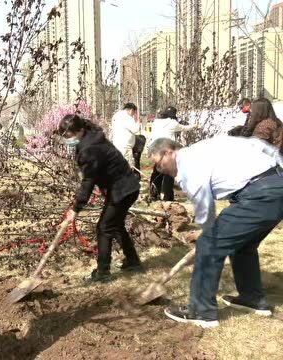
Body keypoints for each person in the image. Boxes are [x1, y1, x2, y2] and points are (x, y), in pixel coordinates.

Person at [148, 136, 283, 328]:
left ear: (169, 151)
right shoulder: (207, 147)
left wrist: (207, 236)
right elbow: (258, 144)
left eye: (159, 164)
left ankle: (201, 311)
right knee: (243, 245)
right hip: (276, 186)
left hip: (258, 195)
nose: (161, 170)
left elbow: (204, 205)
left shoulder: (188, 163)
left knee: (209, 245)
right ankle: (253, 299)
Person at [58, 115, 142, 282]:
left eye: (69, 136)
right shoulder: (92, 136)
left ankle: (103, 272)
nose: (67, 140)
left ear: (80, 131)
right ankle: (133, 261)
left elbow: (88, 181)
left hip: (123, 189)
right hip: (126, 186)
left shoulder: (90, 148)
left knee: (104, 228)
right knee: (115, 225)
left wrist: (76, 209)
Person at [147, 106, 196, 201]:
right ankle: (167, 196)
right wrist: (194, 125)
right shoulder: (173, 123)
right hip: (166, 152)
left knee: (156, 173)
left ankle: (153, 194)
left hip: (155, 150)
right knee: (168, 174)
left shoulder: (156, 122)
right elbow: (184, 128)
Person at [111, 103, 141, 167]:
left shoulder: (116, 115)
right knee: (127, 166)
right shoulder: (127, 117)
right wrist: (137, 120)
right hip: (125, 146)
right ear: (131, 110)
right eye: (134, 113)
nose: (133, 115)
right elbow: (136, 129)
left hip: (117, 144)